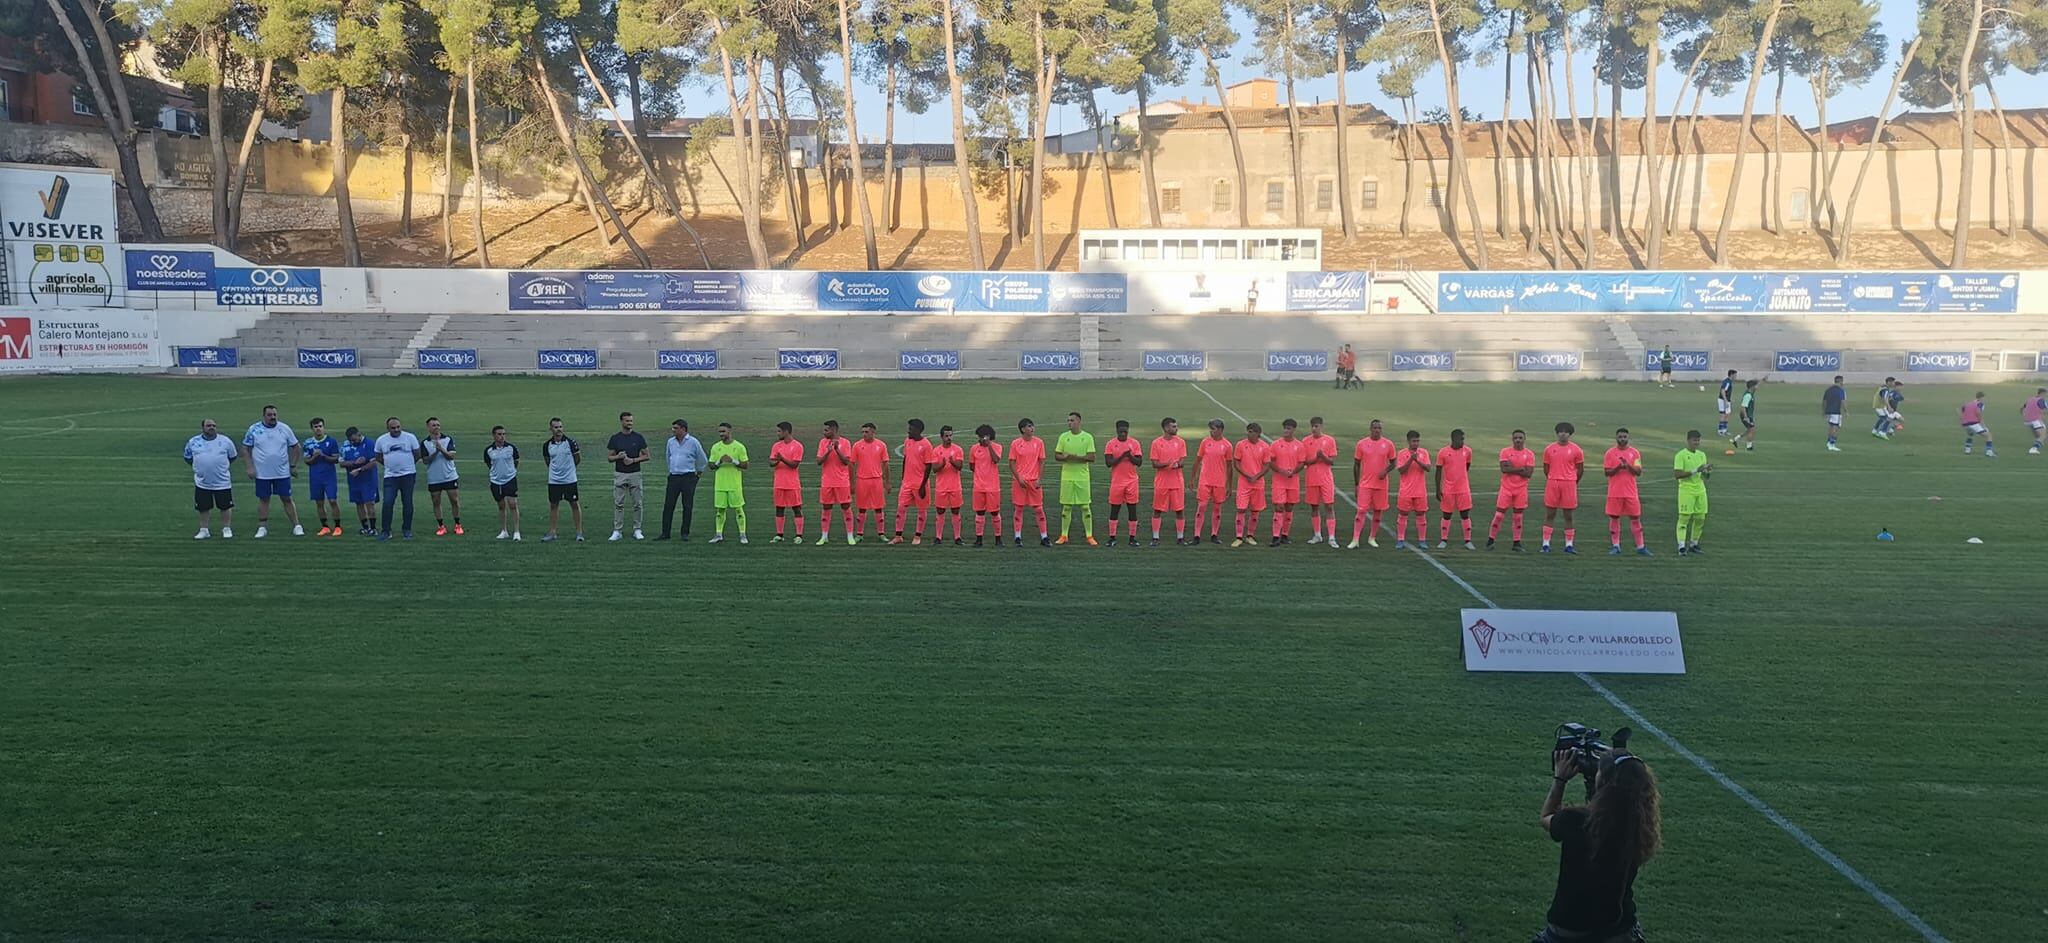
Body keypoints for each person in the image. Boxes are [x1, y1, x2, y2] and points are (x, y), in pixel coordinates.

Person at [1536, 744, 1661, 943]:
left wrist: (1560, 780)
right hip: (1618, 930)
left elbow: (1547, 817)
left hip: (1569, 929)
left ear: (1602, 781)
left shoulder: (1575, 821)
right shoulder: (1640, 824)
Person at [242, 404, 302, 538]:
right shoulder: (254, 429)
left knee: (286, 498)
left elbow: (296, 447)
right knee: (264, 499)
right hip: (262, 473)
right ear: (264, 416)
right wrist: (249, 467)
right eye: (269, 415)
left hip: (282, 472)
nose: (273, 417)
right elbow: (245, 448)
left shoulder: (284, 428)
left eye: (274, 415)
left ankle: (297, 525)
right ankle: (262, 527)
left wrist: (292, 465)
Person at [183, 418, 238, 539]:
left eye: (213, 425)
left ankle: (226, 528)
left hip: (222, 481)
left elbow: (232, 456)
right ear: (203, 428)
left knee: (225, 506)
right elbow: (188, 457)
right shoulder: (193, 442)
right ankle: (204, 530)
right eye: (208, 425)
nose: (211, 427)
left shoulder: (225, 441)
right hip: (203, 482)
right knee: (203, 507)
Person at [1348, 419, 1396, 549]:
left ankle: (1372, 537)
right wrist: (1357, 484)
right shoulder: (1362, 444)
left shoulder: (1388, 444)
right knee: (1361, 510)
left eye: (1379, 428)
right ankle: (1355, 539)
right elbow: (1357, 464)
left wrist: (1385, 471)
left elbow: (1393, 463)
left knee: (1378, 511)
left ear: (1382, 429)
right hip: (1366, 484)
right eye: (1375, 428)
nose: (1377, 430)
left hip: (1381, 485)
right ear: (1370, 429)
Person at [374, 416, 424, 540]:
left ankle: (407, 529)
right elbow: (378, 456)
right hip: (390, 476)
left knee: (407, 502)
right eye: (393, 428)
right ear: (388, 428)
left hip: (408, 475)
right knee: (388, 502)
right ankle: (386, 531)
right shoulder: (381, 440)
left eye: (398, 427)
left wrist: (408, 465)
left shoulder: (410, 437)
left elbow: (417, 454)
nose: (396, 430)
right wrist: (390, 465)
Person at [1604, 428, 1650, 556]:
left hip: (1630, 492)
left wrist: (1627, 466)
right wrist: (1619, 467)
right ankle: (1616, 546)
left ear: (1628, 438)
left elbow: (1638, 472)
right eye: (1620, 437)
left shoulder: (1634, 453)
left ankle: (1641, 546)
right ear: (1616, 438)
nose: (1622, 439)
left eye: (1624, 437)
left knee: (1635, 518)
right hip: (1615, 492)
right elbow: (1607, 472)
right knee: (1614, 518)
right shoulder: (1610, 453)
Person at [1488, 430, 1536, 552]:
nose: (1518, 440)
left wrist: (1512, 468)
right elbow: (1504, 469)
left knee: (1518, 517)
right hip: (1506, 488)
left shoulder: (1529, 454)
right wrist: (1520, 469)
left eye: (1520, 438)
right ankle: (1490, 540)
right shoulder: (1505, 452)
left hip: (1521, 489)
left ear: (1524, 439)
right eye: (1515, 438)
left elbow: (1529, 473)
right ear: (1512, 439)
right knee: (1499, 515)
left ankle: (1516, 543)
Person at [1541, 422, 1585, 553]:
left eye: (1566, 432)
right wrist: (1553, 478)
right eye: (1560, 431)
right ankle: (1546, 544)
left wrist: (1572, 481)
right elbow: (1546, 468)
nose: (1563, 434)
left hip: (1569, 484)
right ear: (1557, 433)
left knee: (1568, 515)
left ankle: (1569, 545)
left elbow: (1580, 469)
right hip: (1553, 483)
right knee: (1550, 514)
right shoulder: (1549, 449)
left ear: (1570, 434)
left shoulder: (1576, 450)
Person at [660, 419, 707, 541]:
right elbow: (668, 457)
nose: (673, 430)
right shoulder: (670, 442)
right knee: (668, 505)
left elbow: (702, 459)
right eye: (673, 428)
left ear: (683, 429)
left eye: (676, 428)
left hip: (688, 477)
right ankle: (665, 533)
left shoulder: (693, 442)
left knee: (687, 506)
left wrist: (697, 475)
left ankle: (685, 533)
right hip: (674, 477)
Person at [1054, 411, 1096, 546]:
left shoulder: (1088, 437)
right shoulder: (1063, 437)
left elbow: (1091, 457)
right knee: (1066, 507)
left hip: (1082, 477)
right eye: (1068, 421)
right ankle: (1064, 535)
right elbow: (1057, 456)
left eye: (1072, 420)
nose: (1069, 423)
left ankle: (1089, 536)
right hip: (1067, 477)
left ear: (1079, 421)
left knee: (1085, 507)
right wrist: (1065, 457)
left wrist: (1072, 457)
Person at [606, 411, 650, 541]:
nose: (630, 423)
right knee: (618, 503)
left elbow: (647, 455)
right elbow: (609, 457)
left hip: (635, 473)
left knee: (637, 503)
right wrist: (618, 456)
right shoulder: (615, 438)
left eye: (631, 421)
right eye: (627, 421)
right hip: (620, 473)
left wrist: (633, 460)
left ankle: (637, 529)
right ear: (621, 422)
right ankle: (617, 530)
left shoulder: (638, 438)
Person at [892, 419, 935, 545]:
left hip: (919, 483)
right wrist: (903, 476)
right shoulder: (907, 441)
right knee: (901, 508)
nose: (908, 431)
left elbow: (928, 466)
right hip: (907, 483)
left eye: (910, 429)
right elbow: (906, 458)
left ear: (918, 430)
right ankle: (898, 536)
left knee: (921, 510)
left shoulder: (926, 445)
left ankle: (917, 536)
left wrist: (922, 486)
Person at [541, 417, 584, 542]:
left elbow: (578, 458)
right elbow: (548, 461)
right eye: (556, 427)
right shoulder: (547, 445)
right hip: (554, 481)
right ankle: (553, 532)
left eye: (560, 427)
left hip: (570, 480)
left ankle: (579, 533)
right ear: (551, 429)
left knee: (574, 504)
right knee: (554, 505)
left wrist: (569, 470)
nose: (559, 429)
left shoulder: (571, 443)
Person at [1009, 418, 1050, 547]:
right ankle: (1017, 537)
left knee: (1038, 508)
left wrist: (1040, 479)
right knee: (1019, 508)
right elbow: (1011, 462)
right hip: (1020, 482)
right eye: (1029, 426)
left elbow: (1042, 461)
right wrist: (1018, 478)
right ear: (1023, 429)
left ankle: (1044, 537)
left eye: (1032, 426)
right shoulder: (1015, 443)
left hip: (1034, 482)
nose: (1032, 428)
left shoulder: (1039, 442)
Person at [1103, 420, 1144, 547]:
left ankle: (1132, 538)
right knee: (1115, 509)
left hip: (1132, 481)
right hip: (1117, 482)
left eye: (1125, 432)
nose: (1123, 434)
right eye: (1121, 432)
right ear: (1116, 431)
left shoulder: (1134, 443)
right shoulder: (1110, 444)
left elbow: (1139, 462)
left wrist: (1130, 456)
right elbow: (1108, 463)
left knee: (1132, 509)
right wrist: (1122, 456)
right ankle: (1112, 537)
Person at [707, 422, 750, 544]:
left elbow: (746, 465)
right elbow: (711, 465)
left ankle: (742, 535)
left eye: (723, 431)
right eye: (720, 432)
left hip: (734, 484)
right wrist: (719, 462)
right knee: (720, 510)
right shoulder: (716, 447)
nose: (721, 434)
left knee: (738, 509)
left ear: (730, 432)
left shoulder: (739, 447)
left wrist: (733, 461)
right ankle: (718, 534)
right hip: (720, 484)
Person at [1230, 421, 1270, 547]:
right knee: (1241, 509)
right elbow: (1236, 463)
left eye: (1251, 432)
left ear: (1258, 434)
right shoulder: (1241, 445)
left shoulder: (1264, 447)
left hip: (1258, 483)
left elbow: (1267, 465)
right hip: (1244, 483)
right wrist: (1247, 475)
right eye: (1248, 431)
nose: (1249, 434)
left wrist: (1256, 476)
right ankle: (1238, 537)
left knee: (1255, 511)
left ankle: (1250, 535)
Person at [1192, 419, 1233, 545]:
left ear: (1220, 430)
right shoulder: (1205, 442)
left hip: (1219, 481)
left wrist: (1229, 486)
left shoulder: (1227, 445)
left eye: (1213, 429)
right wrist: (1193, 478)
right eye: (1210, 429)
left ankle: (1214, 534)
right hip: (1205, 480)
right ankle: (1197, 535)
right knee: (1202, 506)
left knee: (1217, 508)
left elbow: (1229, 466)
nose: (1211, 431)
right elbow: (1198, 460)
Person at [1148, 417, 1188, 546]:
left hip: (1177, 482)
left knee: (1179, 510)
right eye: (1173, 426)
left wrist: (1175, 465)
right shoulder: (1156, 443)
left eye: (1176, 426)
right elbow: (1154, 464)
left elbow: (1182, 462)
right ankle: (1155, 537)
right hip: (1162, 482)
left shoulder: (1181, 442)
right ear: (1166, 428)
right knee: (1157, 510)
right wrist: (1168, 464)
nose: (1176, 429)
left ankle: (1180, 538)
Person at [815, 420, 855, 545]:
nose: (824, 432)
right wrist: (828, 451)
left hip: (842, 482)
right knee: (826, 508)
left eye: (826, 430)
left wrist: (837, 449)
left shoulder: (846, 442)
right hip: (827, 481)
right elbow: (819, 461)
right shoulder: (823, 443)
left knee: (846, 507)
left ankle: (850, 535)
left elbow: (846, 462)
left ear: (834, 430)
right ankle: (824, 536)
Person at [1434, 428, 1475, 550]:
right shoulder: (1443, 452)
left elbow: (1466, 466)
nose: (1463, 441)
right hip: (1448, 489)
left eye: (1463, 439)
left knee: (1465, 514)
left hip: (1463, 489)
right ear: (1453, 439)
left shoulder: (1467, 451)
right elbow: (1438, 471)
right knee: (1446, 515)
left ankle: (1468, 541)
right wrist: (1438, 489)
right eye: (1460, 439)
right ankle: (1444, 540)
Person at [1302, 417, 1340, 547]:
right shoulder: (1306, 441)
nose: (1314, 428)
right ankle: (1317, 535)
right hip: (1311, 478)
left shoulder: (1329, 440)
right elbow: (1304, 462)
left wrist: (1323, 456)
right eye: (1312, 426)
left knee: (1329, 506)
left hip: (1326, 479)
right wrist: (1315, 458)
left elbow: (1331, 461)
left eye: (1316, 426)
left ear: (1321, 426)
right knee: (1314, 506)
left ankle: (1331, 537)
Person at [422, 416, 463, 536]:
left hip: (449, 476)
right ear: (428, 427)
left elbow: (451, 456)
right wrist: (435, 452)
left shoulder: (447, 439)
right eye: (433, 425)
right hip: (434, 477)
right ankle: (441, 526)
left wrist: (441, 449)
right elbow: (425, 460)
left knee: (454, 500)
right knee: (436, 501)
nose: (436, 427)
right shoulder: (425, 443)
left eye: (438, 425)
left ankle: (458, 524)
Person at [1674, 430, 1712, 556]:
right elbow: (1678, 475)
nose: (1696, 443)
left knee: (1700, 518)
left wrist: (1707, 472)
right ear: (1688, 440)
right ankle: (1681, 546)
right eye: (1694, 440)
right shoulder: (1681, 455)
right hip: (1686, 491)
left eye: (1698, 440)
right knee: (1684, 518)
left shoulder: (1702, 455)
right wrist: (1696, 470)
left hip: (1700, 491)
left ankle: (1694, 544)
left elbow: (1705, 477)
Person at [850, 422, 891, 541]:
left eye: (866, 432)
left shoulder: (881, 445)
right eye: (862, 432)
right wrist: (852, 483)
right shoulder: (857, 446)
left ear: (873, 432)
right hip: (862, 480)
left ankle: (881, 533)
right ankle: (859, 534)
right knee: (861, 508)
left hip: (876, 480)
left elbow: (886, 463)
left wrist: (887, 482)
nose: (864, 434)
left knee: (879, 507)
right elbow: (851, 464)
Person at [1267, 419, 1305, 545]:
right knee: (1279, 507)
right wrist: (1281, 471)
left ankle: (1285, 535)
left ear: (1293, 429)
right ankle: (1275, 536)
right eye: (1285, 428)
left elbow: (1301, 463)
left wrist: (1293, 472)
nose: (1286, 431)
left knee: (1289, 507)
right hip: (1279, 481)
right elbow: (1270, 461)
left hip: (1293, 481)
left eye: (1288, 428)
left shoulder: (1299, 445)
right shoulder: (1276, 444)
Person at [768, 422, 806, 543]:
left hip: (792, 483)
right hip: (779, 483)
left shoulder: (797, 446)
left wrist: (781, 459)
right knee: (779, 508)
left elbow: (794, 465)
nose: (777, 434)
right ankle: (779, 534)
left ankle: (799, 535)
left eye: (779, 431)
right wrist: (777, 460)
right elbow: (771, 462)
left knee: (796, 508)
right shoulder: (776, 446)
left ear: (786, 431)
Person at [302, 418, 342, 537]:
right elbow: (307, 461)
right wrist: (314, 457)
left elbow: (336, 459)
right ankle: (325, 526)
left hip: (329, 476)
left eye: (320, 426)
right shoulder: (308, 443)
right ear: (312, 429)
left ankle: (338, 526)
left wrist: (323, 455)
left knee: (332, 500)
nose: (318, 429)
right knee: (319, 502)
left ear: (324, 427)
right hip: (315, 477)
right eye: (315, 427)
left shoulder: (332, 441)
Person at [1393, 430, 1431, 549]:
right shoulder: (1402, 453)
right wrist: (1410, 459)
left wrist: (1417, 460)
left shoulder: (1423, 453)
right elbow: (1401, 470)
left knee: (1421, 515)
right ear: (1408, 441)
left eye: (1417, 441)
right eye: (1414, 441)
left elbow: (1428, 468)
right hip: (1406, 491)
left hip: (1420, 491)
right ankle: (1400, 539)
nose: (1416, 443)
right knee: (1403, 514)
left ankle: (1422, 540)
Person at [483, 425, 521, 541]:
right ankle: (504, 531)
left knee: (512, 504)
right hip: (495, 481)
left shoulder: (511, 448)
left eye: (504, 434)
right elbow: (489, 464)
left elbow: (516, 461)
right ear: (494, 435)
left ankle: (516, 531)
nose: (502, 436)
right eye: (499, 434)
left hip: (509, 479)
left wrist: (509, 472)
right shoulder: (489, 450)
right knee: (501, 505)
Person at [969, 424, 1005, 546]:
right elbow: (972, 466)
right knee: (979, 512)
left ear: (989, 437)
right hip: (979, 486)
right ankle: (979, 539)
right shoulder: (974, 448)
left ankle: (998, 539)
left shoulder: (997, 447)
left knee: (995, 512)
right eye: (979, 437)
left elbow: (996, 460)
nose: (979, 439)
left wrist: (989, 445)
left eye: (982, 437)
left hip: (993, 486)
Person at [931, 425, 966, 545]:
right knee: (940, 511)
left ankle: (957, 537)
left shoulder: (958, 449)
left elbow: (960, 466)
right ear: (941, 437)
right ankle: (938, 537)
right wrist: (942, 464)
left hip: (955, 486)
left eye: (950, 435)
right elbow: (934, 469)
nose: (949, 438)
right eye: (946, 436)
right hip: (941, 486)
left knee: (955, 510)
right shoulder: (936, 450)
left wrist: (952, 462)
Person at [341, 426, 379, 535]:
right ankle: (365, 527)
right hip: (354, 480)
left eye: (355, 439)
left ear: (359, 434)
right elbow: (342, 463)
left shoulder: (369, 443)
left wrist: (360, 469)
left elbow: (373, 462)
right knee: (359, 503)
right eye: (351, 440)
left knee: (369, 502)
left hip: (368, 479)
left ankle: (373, 527)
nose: (353, 442)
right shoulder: (346, 445)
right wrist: (355, 463)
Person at [1959, 391, 1997, 458]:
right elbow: (1978, 413)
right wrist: (1983, 425)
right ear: (1982, 397)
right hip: (1973, 423)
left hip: (1965, 424)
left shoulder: (1969, 403)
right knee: (1988, 435)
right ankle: (1989, 452)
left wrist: (1962, 420)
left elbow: (1963, 410)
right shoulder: (1980, 404)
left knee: (1970, 434)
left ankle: (1967, 449)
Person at [1822, 375, 1847, 452]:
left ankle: (1829, 442)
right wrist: (1846, 411)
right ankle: (1832, 444)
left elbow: (1824, 401)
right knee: (1835, 428)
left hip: (1828, 411)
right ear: (1840, 381)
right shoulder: (1841, 391)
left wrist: (1824, 411)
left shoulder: (1828, 390)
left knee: (1831, 426)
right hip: (1836, 411)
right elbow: (1842, 401)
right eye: (1842, 381)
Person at [1736, 380, 1760, 452]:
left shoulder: (1751, 392)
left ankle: (1736, 439)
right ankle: (1749, 447)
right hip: (1746, 415)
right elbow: (1743, 407)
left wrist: (1764, 380)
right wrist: (1746, 417)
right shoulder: (1748, 395)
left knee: (1750, 430)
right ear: (1752, 387)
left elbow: (1759, 385)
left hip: (1748, 415)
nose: (1757, 387)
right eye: (1756, 386)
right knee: (1752, 430)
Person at [2024, 387, 2047, 455]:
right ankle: (2034, 448)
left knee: (2040, 434)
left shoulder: (2030, 399)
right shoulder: (2041, 400)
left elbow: (2023, 408)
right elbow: (2044, 410)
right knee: (2043, 435)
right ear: (2042, 393)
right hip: (2035, 420)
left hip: (2028, 420)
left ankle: (2039, 442)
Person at [1716, 369, 1738, 438]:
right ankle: (1720, 431)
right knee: (1723, 415)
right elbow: (1723, 391)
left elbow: (1727, 391)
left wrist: (1729, 399)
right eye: (1735, 375)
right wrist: (1725, 400)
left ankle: (1724, 430)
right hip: (1722, 400)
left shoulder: (1729, 382)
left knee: (1727, 414)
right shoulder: (1727, 382)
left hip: (1726, 400)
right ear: (1731, 374)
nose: (1736, 376)